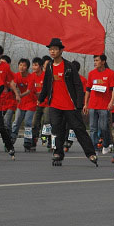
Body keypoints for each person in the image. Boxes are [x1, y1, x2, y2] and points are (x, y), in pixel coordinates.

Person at [37, 38, 97, 167]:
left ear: (61, 50)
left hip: (70, 105)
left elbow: (78, 86)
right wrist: (41, 98)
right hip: (54, 104)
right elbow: (47, 84)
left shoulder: (69, 66)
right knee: (57, 129)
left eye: (55, 49)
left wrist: (79, 104)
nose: (52, 51)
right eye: (51, 49)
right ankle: (58, 153)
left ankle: (90, 153)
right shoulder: (50, 67)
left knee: (79, 128)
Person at [84, 54, 114, 155]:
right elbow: (88, 90)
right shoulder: (91, 74)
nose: (95, 62)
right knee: (93, 128)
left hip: (104, 106)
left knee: (104, 127)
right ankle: (94, 148)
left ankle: (106, 144)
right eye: (94, 60)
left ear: (103, 61)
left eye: (97, 60)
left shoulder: (110, 73)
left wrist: (111, 102)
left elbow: (113, 90)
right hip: (93, 105)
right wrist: (86, 104)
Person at [9, 58, 36, 152]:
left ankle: (28, 141)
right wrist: (17, 94)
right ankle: (11, 139)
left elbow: (28, 91)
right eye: (20, 65)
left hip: (31, 103)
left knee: (28, 122)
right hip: (21, 103)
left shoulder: (31, 77)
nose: (21, 67)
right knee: (16, 122)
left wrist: (20, 95)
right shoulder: (16, 75)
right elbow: (12, 84)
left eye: (24, 65)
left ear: (27, 67)